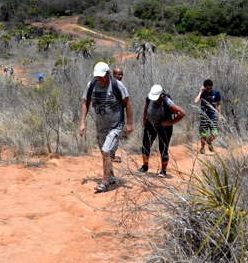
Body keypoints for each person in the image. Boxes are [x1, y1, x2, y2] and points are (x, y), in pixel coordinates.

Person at [79, 62, 133, 193]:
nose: (100, 80)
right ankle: (112, 177)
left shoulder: (117, 85)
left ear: (108, 74)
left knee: (106, 151)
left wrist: (130, 123)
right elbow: (86, 103)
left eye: (102, 77)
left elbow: (128, 103)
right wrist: (82, 122)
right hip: (100, 126)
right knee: (105, 154)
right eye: (97, 77)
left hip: (115, 125)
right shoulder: (91, 85)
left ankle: (105, 182)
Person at [139, 85, 185, 178]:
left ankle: (163, 171)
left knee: (163, 149)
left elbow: (182, 113)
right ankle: (145, 166)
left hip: (164, 128)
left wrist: (170, 123)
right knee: (145, 145)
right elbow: (146, 108)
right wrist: (144, 120)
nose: (155, 99)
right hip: (150, 124)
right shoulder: (149, 98)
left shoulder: (167, 102)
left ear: (161, 95)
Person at [194, 79, 222, 154]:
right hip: (204, 116)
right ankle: (202, 148)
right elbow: (196, 101)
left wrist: (219, 115)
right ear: (204, 87)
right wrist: (200, 92)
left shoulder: (216, 93)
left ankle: (209, 142)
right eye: (207, 88)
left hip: (213, 115)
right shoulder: (202, 93)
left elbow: (218, 103)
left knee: (215, 133)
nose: (209, 90)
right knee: (203, 134)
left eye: (210, 88)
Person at [110, 66, 124, 163]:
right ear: (113, 74)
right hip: (112, 116)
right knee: (113, 136)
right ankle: (111, 155)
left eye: (121, 74)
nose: (120, 76)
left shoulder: (120, 85)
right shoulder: (111, 85)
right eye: (118, 74)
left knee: (115, 136)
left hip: (118, 114)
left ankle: (111, 154)